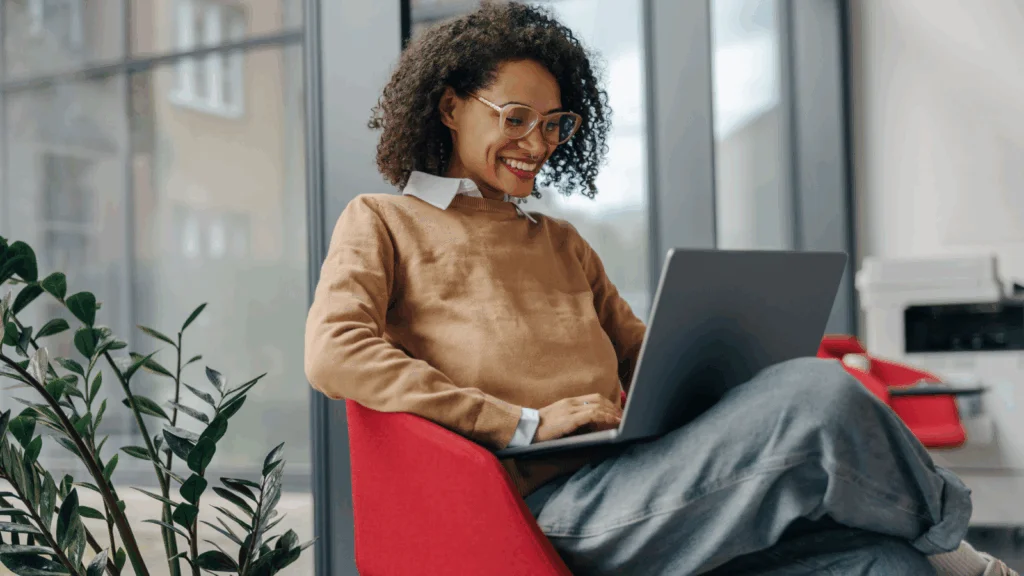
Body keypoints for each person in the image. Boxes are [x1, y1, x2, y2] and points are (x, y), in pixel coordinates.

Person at [303, 2, 1017, 574]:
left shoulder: (560, 243)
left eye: (553, 124)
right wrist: (520, 423)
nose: (537, 142)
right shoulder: (384, 220)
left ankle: (927, 552)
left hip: (645, 484)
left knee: (884, 563)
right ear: (451, 107)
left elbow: (650, 358)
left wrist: (728, 364)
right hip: (547, 508)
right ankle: (968, 559)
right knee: (822, 396)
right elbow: (334, 353)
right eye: (514, 118)